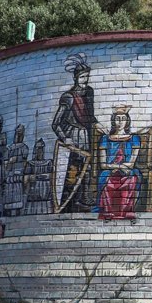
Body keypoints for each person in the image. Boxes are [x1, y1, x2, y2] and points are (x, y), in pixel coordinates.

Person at [52, 54, 98, 212]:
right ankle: (69, 202)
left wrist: (99, 127)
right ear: (76, 78)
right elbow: (56, 123)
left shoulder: (89, 93)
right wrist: (66, 138)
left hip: (87, 135)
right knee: (73, 169)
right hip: (74, 136)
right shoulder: (68, 97)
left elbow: (90, 117)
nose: (85, 80)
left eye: (87, 76)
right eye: (82, 77)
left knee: (87, 168)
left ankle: (84, 199)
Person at [96, 106, 142, 221]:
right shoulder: (105, 139)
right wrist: (118, 167)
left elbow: (131, 164)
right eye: (117, 118)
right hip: (110, 171)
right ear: (113, 120)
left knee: (132, 178)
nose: (120, 121)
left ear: (127, 121)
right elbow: (103, 164)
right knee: (106, 180)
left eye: (123, 118)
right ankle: (109, 213)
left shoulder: (134, 138)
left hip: (127, 171)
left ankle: (127, 212)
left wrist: (122, 168)